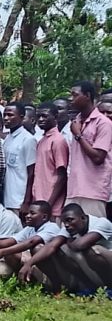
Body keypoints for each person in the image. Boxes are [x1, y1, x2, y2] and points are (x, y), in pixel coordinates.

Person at [19, 204, 112, 293]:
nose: (66, 225)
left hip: (108, 261)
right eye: (64, 222)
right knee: (58, 250)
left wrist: (69, 242)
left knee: (93, 251)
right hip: (93, 269)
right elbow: (51, 246)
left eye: (70, 220)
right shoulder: (69, 228)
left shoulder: (101, 223)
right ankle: (88, 286)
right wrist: (29, 263)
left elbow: (80, 245)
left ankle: (109, 288)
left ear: (83, 218)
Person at [66, 81, 112, 217]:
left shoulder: (104, 123)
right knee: (70, 235)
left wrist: (78, 136)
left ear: (87, 95)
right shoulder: (76, 121)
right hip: (74, 188)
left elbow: (98, 157)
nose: (71, 99)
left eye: (74, 95)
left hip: (93, 190)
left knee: (93, 234)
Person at [33, 103, 69, 222]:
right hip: (40, 203)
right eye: (38, 116)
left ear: (55, 116)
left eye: (44, 116)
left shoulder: (58, 140)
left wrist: (49, 204)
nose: (40, 120)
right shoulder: (42, 140)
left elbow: (62, 175)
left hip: (51, 207)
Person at [2, 102, 36, 216]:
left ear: (21, 117)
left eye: (10, 115)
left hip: (19, 200)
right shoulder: (7, 139)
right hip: (7, 198)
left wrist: (26, 202)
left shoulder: (28, 139)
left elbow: (31, 172)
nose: (6, 118)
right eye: (4, 115)